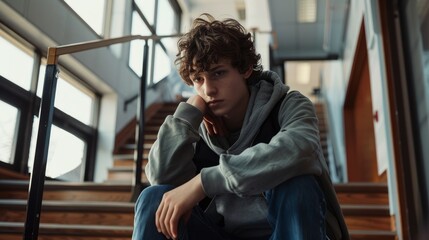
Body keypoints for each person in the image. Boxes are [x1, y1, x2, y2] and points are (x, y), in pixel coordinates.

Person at [132, 13, 349, 240]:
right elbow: (161, 177)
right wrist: (187, 115)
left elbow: (300, 149)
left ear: (245, 69)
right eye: (198, 79)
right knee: (153, 197)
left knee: (298, 184)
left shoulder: (288, 104)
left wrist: (203, 183)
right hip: (219, 233)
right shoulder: (194, 127)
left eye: (218, 73)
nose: (208, 90)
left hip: (284, 230)